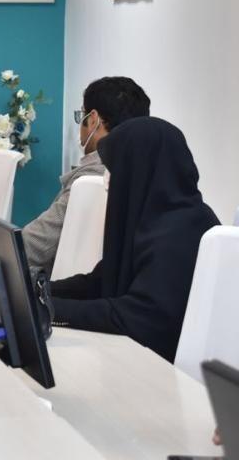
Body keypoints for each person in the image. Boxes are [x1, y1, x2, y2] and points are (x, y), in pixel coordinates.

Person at [50, 117, 219, 363]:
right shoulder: (152, 218)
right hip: (134, 359)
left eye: (114, 168)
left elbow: (137, 317)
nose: (108, 177)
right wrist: (40, 291)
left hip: (164, 373)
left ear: (138, 168)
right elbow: (100, 281)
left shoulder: (183, 230)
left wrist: (50, 309)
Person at [22, 76, 150, 275]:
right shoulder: (142, 171)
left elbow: (34, 245)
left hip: (63, 286)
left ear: (93, 119)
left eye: (81, 115)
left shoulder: (91, 177)